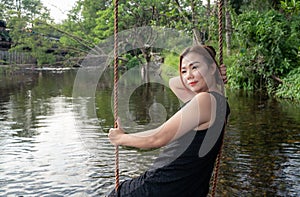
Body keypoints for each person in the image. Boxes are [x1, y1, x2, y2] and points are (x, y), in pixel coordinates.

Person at [108, 45, 230, 197]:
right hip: (188, 188)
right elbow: (174, 82)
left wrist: (121, 138)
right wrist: (211, 76)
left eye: (195, 67)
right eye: (184, 71)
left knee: (117, 193)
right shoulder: (218, 102)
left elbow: (157, 138)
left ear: (212, 67)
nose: (188, 76)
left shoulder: (205, 100)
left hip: (163, 185)